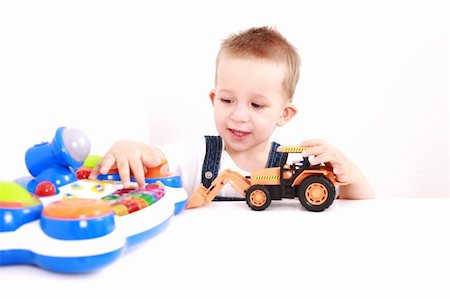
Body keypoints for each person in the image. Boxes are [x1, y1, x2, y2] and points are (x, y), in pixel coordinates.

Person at [89, 26, 374, 200]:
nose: (238, 115)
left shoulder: (292, 162)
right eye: (227, 100)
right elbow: (152, 160)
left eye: (257, 105)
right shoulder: (196, 154)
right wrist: (128, 147)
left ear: (284, 114)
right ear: (214, 99)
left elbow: (361, 201)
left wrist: (348, 170)